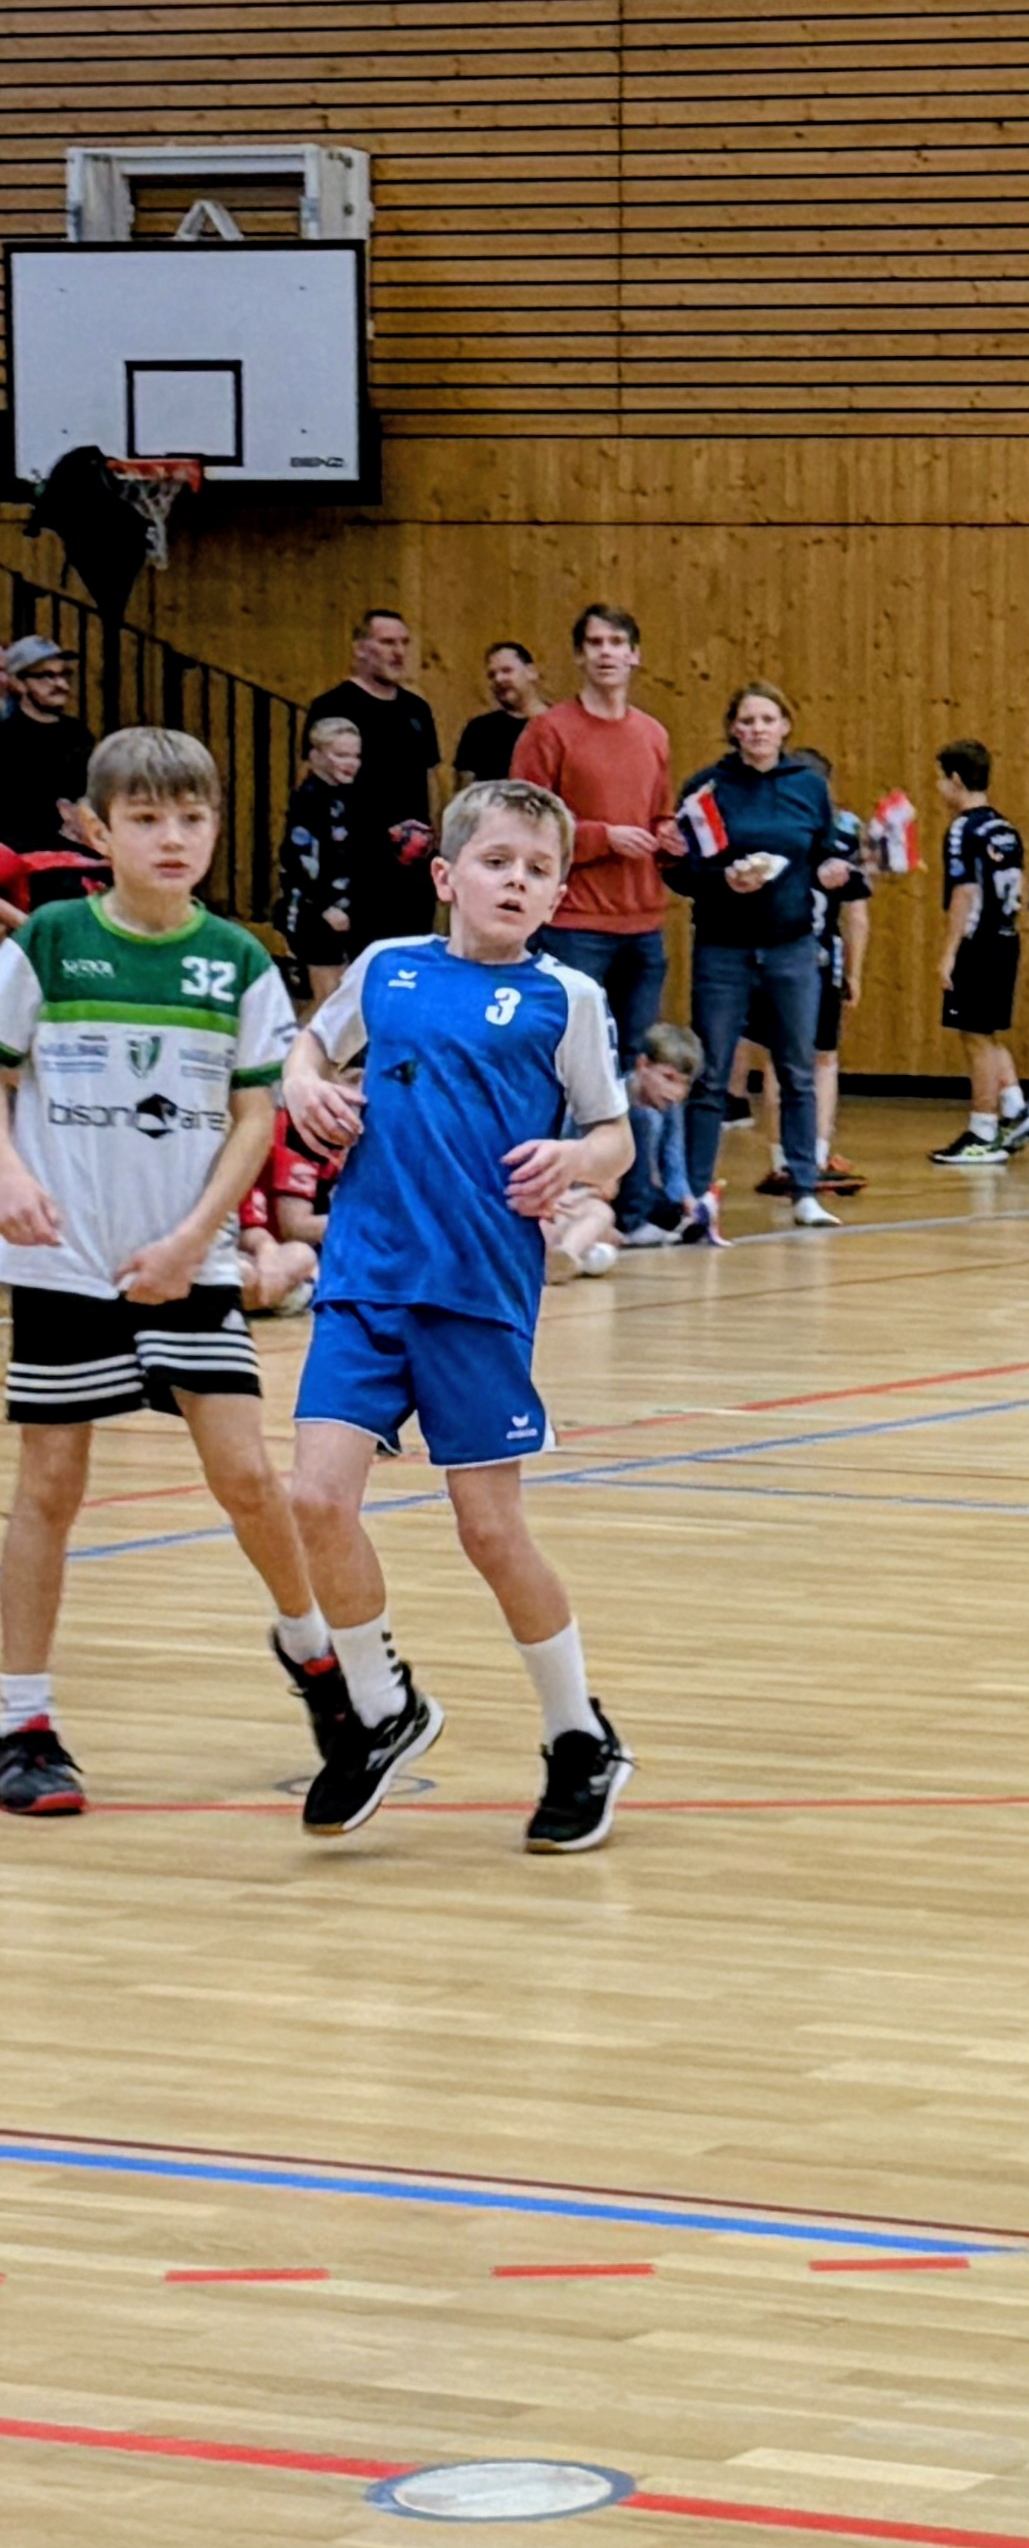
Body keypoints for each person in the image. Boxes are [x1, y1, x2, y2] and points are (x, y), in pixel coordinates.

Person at [281, 776, 636, 1851]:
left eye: (538, 869)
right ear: (447, 876)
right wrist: (303, 1083)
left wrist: (575, 1157)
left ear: (558, 893)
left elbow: (615, 1137)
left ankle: (579, 1735)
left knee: (489, 1529)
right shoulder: (389, 968)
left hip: (477, 1293)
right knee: (315, 1498)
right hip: (363, 1275)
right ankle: (381, 1706)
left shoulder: (565, 999)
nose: (516, 881)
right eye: (497, 862)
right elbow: (311, 1044)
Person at [0, 724, 346, 1821]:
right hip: (63, 1263)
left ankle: (316, 1658)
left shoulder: (236, 960)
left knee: (247, 1476)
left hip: (189, 1261)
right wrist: (8, 1172)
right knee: (49, 1489)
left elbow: (253, 1118)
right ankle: (22, 1723)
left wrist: (199, 1238)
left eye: (192, 818)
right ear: (97, 831)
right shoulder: (49, 941)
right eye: (145, 818)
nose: (172, 838)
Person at [665, 684, 851, 1232]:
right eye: (747, 720)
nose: (757, 729)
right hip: (723, 947)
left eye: (768, 719)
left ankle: (804, 1188)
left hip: (792, 946)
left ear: (785, 725)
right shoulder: (707, 788)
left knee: (796, 1070)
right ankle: (694, 1194)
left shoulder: (809, 788)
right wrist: (722, 879)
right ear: (733, 729)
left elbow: (825, 853)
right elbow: (679, 869)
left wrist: (832, 872)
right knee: (711, 1074)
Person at [514, 603, 674, 1059]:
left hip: (643, 924)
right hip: (573, 923)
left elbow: (658, 816)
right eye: (596, 643)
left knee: (637, 1060)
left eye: (617, 643)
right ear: (579, 656)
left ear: (634, 655)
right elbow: (525, 824)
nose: (607, 653)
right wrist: (604, 838)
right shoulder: (548, 731)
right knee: (569, 1053)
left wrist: (671, 838)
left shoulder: (653, 734)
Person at [305, 611, 441, 948]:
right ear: (361, 648)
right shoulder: (332, 706)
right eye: (387, 642)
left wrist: (434, 835)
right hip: (354, 864)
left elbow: (431, 778)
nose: (398, 652)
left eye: (404, 643)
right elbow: (310, 785)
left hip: (410, 866)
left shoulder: (417, 710)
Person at [931, 739, 1029, 1165]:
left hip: (977, 941)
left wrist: (949, 952)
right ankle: (1015, 1109)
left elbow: (964, 893)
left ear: (956, 780)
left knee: (974, 1038)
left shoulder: (963, 829)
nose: (938, 788)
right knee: (987, 1032)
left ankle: (982, 1130)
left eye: (940, 779)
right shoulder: (1005, 828)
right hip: (1006, 937)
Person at [755, 820, 870, 1197]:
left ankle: (781, 1161)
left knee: (776, 1059)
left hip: (774, 954)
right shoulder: (842, 840)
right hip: (821, 958)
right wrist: (854, 973)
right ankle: (815, 1157)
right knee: (824, 1060)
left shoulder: (772, 831)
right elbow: (857, 916)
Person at [271, 707, 366, 1007]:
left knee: (339, 1002)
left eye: (355, 756)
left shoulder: (346, 797)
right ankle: (289, 1040)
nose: (351, 763)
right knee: (328, 1005)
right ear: (316, 756)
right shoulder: (309, 798)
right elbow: (298, 861)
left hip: (343, 910)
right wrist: (325, 906)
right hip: (313, 913)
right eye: (341, 755)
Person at [0, 636, 102, 909]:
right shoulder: (6, 739)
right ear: (19, 683)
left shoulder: (77, 734)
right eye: (46, 676)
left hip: (78, 846)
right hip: (24, 853)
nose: (60, 684)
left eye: (64, 675)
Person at [235, 1097, 336, 1318]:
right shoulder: (298, 1129)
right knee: (244, 1274)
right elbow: (295, 1225)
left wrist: (268, 1253)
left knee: (301, 1256)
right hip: (214, 1257)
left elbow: (253, 1226)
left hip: (260, 1256)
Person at [616, 1021, 707, 1249]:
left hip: (643, 1187)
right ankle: (633, 1224)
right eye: (668, 1078)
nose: (676, 1092)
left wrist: (686, 1199)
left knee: (678, 1213)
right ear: (643, 1064)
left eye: (685, 1084)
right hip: (610, 1187)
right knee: (644, 1120)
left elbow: (673, 1157)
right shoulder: (615, 1098)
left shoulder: (670, 1105)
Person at [451, 639, 546, 789]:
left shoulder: (560, 726)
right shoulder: (478, 731)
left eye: (507, 671)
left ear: (531, 672)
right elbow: (465, 794)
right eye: (491, 675)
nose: (498, 679)